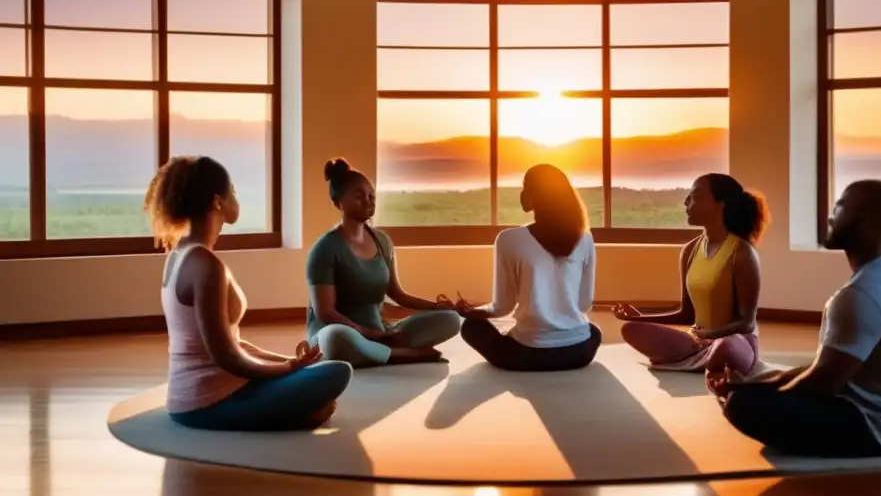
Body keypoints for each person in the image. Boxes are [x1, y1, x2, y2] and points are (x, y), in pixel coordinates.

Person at [708, 179, 881, 458]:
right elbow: (825, 366)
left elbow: (821, 384)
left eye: (839, 207)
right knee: (756, 385)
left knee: (742, 404)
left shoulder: (861, 295)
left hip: (880, 432)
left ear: (862, 220)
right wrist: (759, 383)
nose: (830, 215)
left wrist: (752, 396)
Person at [144, 156, 352, 431]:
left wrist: (290, 362)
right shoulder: (205, 266)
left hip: (201, 394)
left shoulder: (180, 254)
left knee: (318, 376)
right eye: (234, 192)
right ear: (217, 201)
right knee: (338, 373)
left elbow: (233, 344)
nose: (237, 198)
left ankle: (293, 410)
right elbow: (228, 357)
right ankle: (290, 414)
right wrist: (288, 369)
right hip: (207, 402)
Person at [306, 158, 462, 368]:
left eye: (371, 195)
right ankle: (401, 355)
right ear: (338, 203)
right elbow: (325, 312)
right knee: (337, 339)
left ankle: (379, 352)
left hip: (380, 331)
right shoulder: (325, 249)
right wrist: (368, 333)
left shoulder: (382, 241)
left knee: (450, 319)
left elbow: (398, 294)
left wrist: (438, 307)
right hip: (339, 332)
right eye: (359, 195)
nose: (368, 200)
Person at [613, 173, 770, 377]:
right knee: (631, 329)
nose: (686, 202)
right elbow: (686, 313)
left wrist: (709, 335)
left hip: (735, 341)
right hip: (697, 341)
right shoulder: (689, 250)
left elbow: (747, 323)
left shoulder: (742, 253)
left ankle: (702, 358)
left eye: (695, 196)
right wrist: (640, 315)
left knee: (725, 348)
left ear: (719, 204)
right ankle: (702, 359)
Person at [454, 164, 601, 371]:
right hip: (580, 352)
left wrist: (472, 311)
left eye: (525, 187)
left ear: (534, 196)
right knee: (592, 331)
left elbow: (502, 308)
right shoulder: (585, 238)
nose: (521, 193)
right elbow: (584, 304)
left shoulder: (508, 239)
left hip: (529, 355)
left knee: (472, 327)